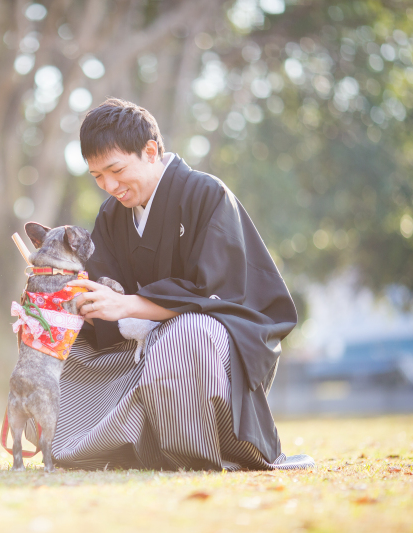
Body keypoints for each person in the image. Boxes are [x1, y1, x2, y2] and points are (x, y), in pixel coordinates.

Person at [53, 98, 314, 471]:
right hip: (144, 345)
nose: (109, 186)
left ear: (150, 151)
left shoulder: (206, 194)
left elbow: (219, 294)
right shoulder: (112, 215)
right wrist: (71, 305)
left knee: (185, 334)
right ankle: (110, 447)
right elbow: (105, 298)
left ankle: (198, 449)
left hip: (214, 346)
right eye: (97, 177)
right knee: (66, 343)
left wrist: (129, 305)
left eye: (116, 169)